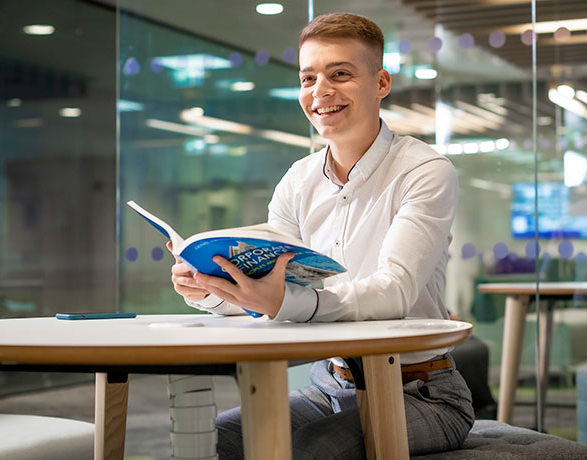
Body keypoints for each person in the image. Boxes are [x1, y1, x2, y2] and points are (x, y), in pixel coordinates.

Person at [169, 12, 473, 459]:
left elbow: (394, 293)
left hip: (421, 392)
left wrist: (282, 302)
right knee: (224, 438)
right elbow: (276, 285)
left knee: (314, 451)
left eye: (340, 74)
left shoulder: (424, 171)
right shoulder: (298, 179)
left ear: (381, 83)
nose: (320, 92)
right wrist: (211, 288)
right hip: (328, 388)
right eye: (308, 78)